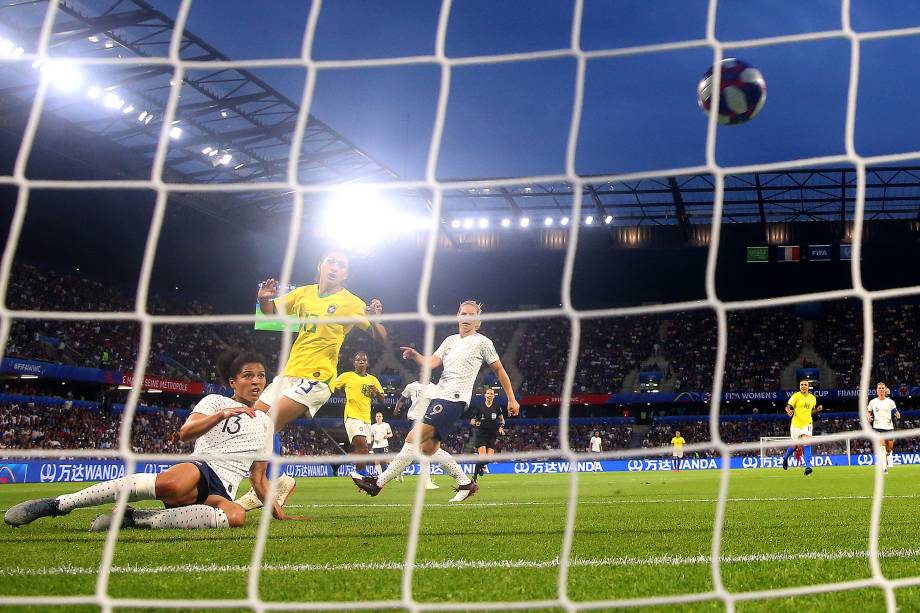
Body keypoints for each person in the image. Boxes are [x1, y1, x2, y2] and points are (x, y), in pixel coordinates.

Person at [5, 350, 300, 530]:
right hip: (201, 467)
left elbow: (258, 479)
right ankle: (57, 504)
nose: (256, 381)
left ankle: (135, 519)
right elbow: (186, 433)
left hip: (223, 490)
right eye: (248, 375)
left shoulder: (266, 424)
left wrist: (279, 514)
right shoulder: (214, 401)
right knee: (174, 484)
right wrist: (221, 415)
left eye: (261, 376)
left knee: (235, 516)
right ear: (233, 382)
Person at [352, 300, 519, 502]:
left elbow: (499, 370)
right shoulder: (450, 341)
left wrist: (511, 399)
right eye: (463, 314)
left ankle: (377, 483)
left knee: (413, 438)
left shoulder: (482, 342)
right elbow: (431, 362)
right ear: (458, 316)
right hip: (440, 396)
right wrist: (415, 355)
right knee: (428, 449)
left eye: (471, 315)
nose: (466, 318)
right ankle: (466, 483)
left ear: (477, 320)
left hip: (454, 398)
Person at [254, 251, 387, 433]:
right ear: (320, 266)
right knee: (252, 421)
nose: (335, 268)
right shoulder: (303, 293)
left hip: (318, 378)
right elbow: (270, 311)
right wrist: (264, 299)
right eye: (331, 262)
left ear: (346, 275)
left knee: (267, 423)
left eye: (341, 266)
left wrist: (375, 321)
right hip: (289, 373)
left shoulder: (352, 303)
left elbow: (380, 337)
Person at [333, 351, 385, 476]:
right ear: (354, 363)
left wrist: (377, 391)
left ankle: (338, 463)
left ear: (367, 363)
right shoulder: (347, 376)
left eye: (364, 360)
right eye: (358, 360)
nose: (361, 361)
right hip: (352, 417)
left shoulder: (373, 379)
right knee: (362, 447)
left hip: (366, 419)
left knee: (365, 451)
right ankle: (362, 477)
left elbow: (382, 400)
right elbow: (332, 386)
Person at [394, 379, 439, 489]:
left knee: (414, 452)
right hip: (415, 419)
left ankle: (398, 469)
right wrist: (397, 408)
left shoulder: (435, 388)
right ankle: (427, 482)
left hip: (428, 420)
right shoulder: (411, 386)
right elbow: (402, 399)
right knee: (423, 451)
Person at [781, 380, 824, 475]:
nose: (803, 386)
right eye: (801, 385)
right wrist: (788, 411)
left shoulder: (813, 398)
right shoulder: (796, 396)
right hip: (796, 424)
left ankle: (808, 467)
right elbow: (787, 406)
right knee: (795, 445)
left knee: (807, 443)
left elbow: (811, 412)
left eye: (805, 385)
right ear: (799, 386)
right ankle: (785, 458)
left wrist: (817, 410)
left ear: (808, 386)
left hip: (807, 424)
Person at [470, 388, 507, 482]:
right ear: (485, 395)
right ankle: (474, 477)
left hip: (492, 435)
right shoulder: (479, 407)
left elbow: (502, 420)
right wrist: (475, 423)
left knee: (489, 458)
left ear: (494, 396)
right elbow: (472, 421)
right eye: (488, 393)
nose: (490, 395)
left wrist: (501, 427)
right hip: (481, 434)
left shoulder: (497, 407)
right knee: (483, 457)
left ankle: (481, 467)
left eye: (491, 394)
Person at [867, 382, 900, 473]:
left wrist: (898, 414)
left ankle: (887, 454)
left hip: (889, 428)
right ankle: (884, 468)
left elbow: (895, 411)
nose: (881, 390)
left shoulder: (890, 402)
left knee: (889, 449)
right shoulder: (873, 402)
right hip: (878, 428)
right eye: (879, 388)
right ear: (877, 390)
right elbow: (868, 411)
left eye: (882, 388)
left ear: (885, 390)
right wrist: (868, 416)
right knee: (882, 447)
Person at [370, 411, 394, 477]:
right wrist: (372, 439)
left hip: (384, 445)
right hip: (376, 446)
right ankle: (381, 476)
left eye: (380, 416)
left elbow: (391, 434)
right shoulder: (373, 426)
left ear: (382, 417)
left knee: (386, 460)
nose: (378, 417)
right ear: (375, 418)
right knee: (376, 461)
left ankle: (394, 472)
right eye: (377, 416)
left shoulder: (386, 425)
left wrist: (387, 436)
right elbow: (371, 436)